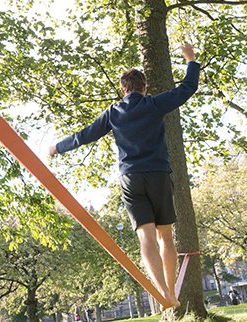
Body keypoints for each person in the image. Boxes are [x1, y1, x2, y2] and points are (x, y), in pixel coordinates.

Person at [49, 44, 199, 310]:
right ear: (144, 87)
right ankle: (172, 294)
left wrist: (56, 147)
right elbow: (187, 88)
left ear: (123, 90)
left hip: (131, 179)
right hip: (159, 175)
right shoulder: (154, 103)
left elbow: (84, 136)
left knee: (146, 237)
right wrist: (191, 60)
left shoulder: (113, 112)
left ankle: (162, 293)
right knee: (166, 237)